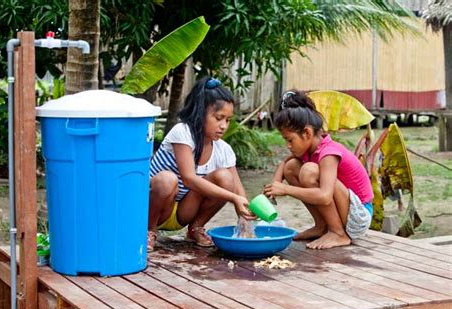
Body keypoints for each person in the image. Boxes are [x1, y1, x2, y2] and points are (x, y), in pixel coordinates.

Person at [147, 77, 256, 251]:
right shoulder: (182, 133)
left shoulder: (224, 150)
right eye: (219, 118)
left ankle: (195, 228)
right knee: (167, 179)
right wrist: (233, 198)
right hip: (152, 209)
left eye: (227, 120)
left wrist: (246, 220)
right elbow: (189, 179)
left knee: (226, 179)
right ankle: (149, 232)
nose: (223, 126)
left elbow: (238, 190)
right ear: (200, 112)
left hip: (183, 212)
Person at [263, 90, 373, 250]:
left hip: (359, 216)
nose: (288, 145)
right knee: (291, 167)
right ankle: (321, 226)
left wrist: (286, 189)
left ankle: (338, 233)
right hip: (347, 211)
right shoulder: (311, 149)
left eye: (290, 140)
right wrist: (276, 182)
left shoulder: (329, 153)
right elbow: (286, 163)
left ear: (307, 133)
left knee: (308, 171)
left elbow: (324, 196)